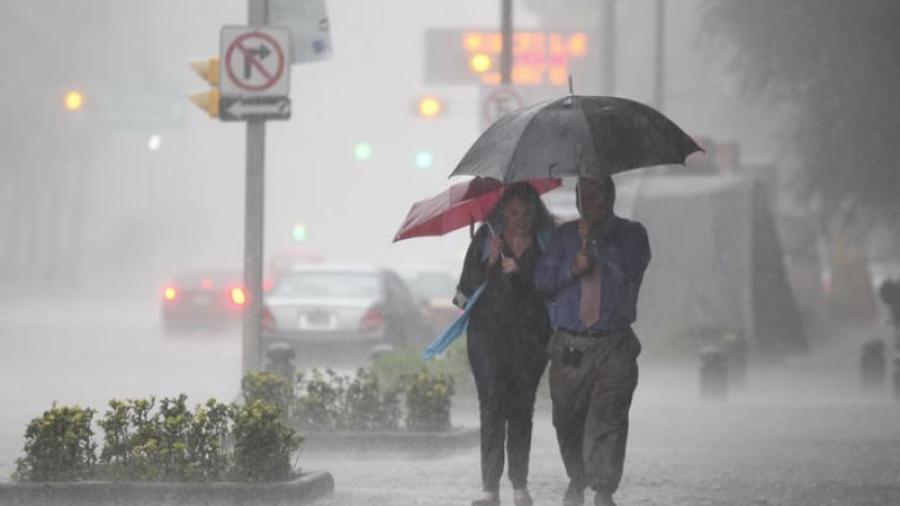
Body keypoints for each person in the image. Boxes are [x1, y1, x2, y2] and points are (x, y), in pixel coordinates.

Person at [534, 176, 651, 506]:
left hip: (613, 343)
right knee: (567, 418)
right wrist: (572, 268)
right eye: (582, 197)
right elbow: (542, 281)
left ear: (610, 197)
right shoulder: (562, 237)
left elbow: (631, 269)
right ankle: (577, 476)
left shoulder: (632, 234)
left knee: (609, 416)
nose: (588, 204)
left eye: (595, 196)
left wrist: (597, 245)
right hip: (570, 344)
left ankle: (603, 488)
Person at [455, 182, 555, 506]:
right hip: (487, 341)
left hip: (530, 341)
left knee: (522, 409)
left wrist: (523, 270)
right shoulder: (486, 240)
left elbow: (555, 286)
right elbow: (463, 294)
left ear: (535, 214)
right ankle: (489, 488)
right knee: (492, 409)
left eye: (527, 213)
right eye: (513, 212)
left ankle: (519, 485)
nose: (520, 219)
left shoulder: (547, 244)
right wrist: (487, 263)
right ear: (503, 213)